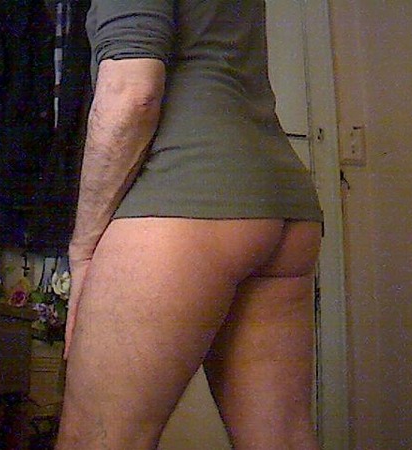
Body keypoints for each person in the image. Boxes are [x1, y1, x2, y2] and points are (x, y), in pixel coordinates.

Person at [56, 1, 323, 449]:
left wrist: (83, 249)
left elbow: (131, 93)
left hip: (185, 193)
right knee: (282, 439)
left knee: (95, 439)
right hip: (283, 196)